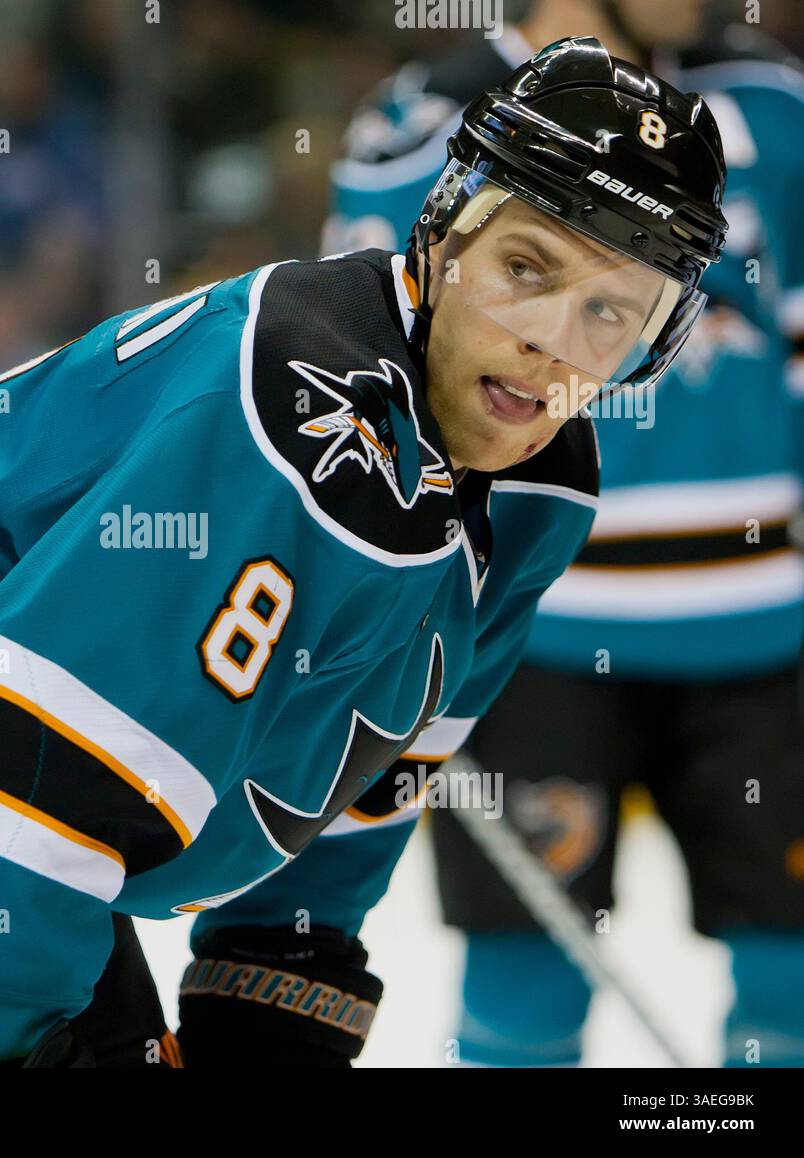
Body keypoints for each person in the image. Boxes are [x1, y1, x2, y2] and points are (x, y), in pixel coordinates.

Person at [0, 37, 726, 1068]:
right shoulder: (291, 437)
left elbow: (362, 780)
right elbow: (20, 776)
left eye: (612, 314)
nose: (548, 347)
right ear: (445, 232)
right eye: (526, 269)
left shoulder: (534, 493)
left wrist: (271, 987)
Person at [323, 0, 804, 1067]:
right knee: (521, 991)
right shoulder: (428, 118)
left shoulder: (771, 99)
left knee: (791, 984)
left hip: (766, 632)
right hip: (529, 630)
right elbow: (373, 362)